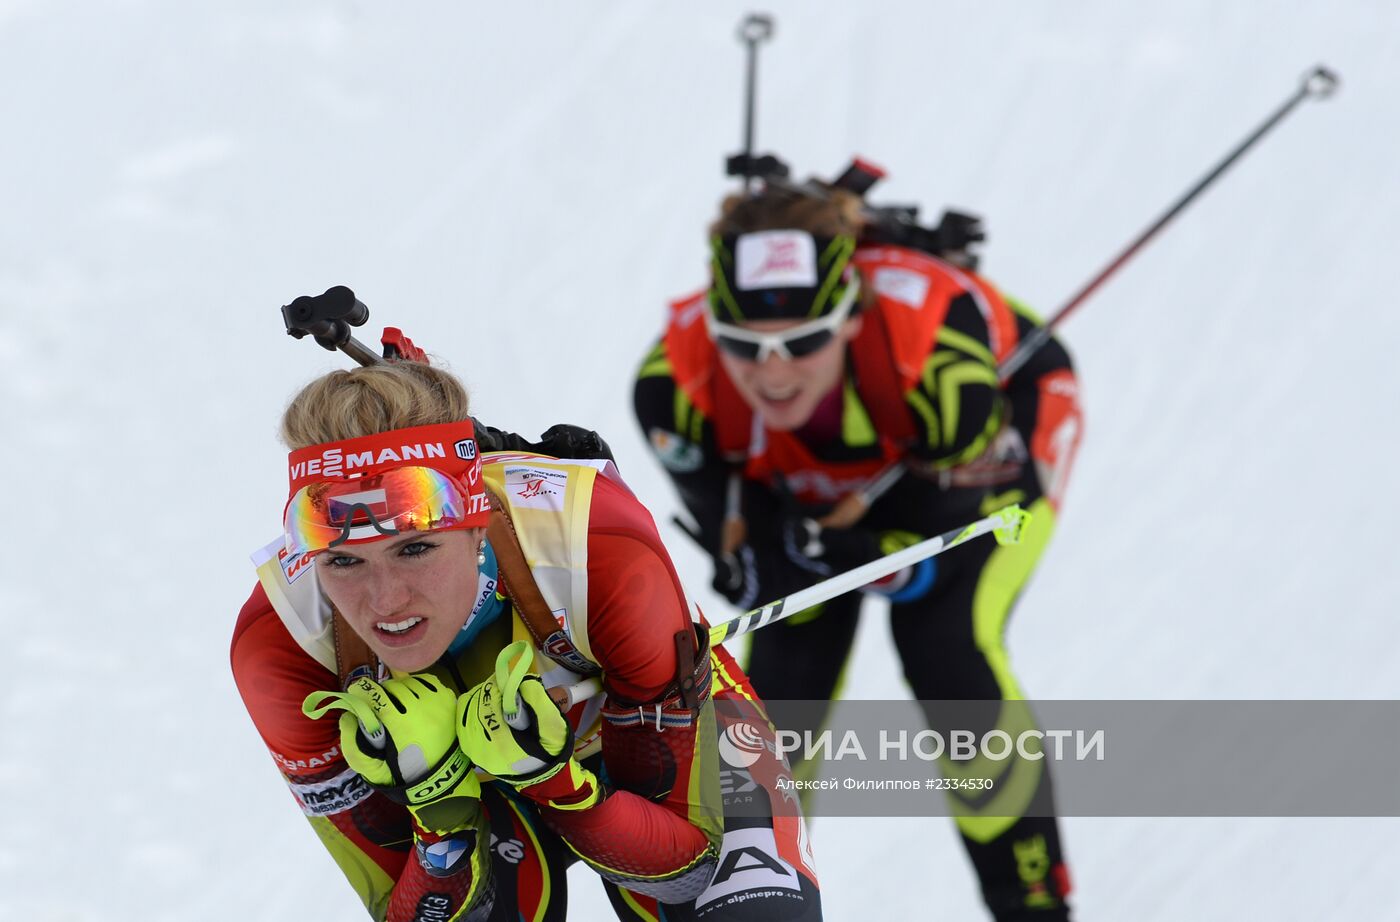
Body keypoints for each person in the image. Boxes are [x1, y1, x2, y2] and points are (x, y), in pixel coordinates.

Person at [231, 358, 822, 921]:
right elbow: (402, 905)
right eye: (341, 563)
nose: (384, 603)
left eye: (415, 549)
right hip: (483, 803)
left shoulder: (600, 546)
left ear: (476, 523)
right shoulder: (278, 641)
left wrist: (551, 777)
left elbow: (686, 868)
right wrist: (440, 806)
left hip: (635, 746)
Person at [633, 185, 1082, 921]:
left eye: (804, 341)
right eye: (745, 347)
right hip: (814, 478)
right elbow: (740, 545)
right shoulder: (673, 391)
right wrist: (761, 558)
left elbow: (943, 545)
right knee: (775, 695)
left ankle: (1032, 904)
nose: (773, 374)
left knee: (947, 653)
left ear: (850, 317)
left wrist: (868, 551)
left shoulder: (945, 373)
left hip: (983, 441)